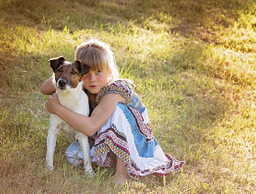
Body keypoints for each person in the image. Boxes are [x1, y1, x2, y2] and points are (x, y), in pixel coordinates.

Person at [41, 39, 185, 185]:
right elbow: (44, 89)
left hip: (135, 140)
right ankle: (112, 157)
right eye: (86, 72)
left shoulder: (114, 91)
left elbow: (91, 126)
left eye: (98, 71)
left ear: (109, 71)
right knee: (73, 156)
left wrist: (58, 109)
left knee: (117, 111)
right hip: (101, 134)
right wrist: (66, 69)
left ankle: (122, 174)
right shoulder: (81, 84)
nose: (92, 79)